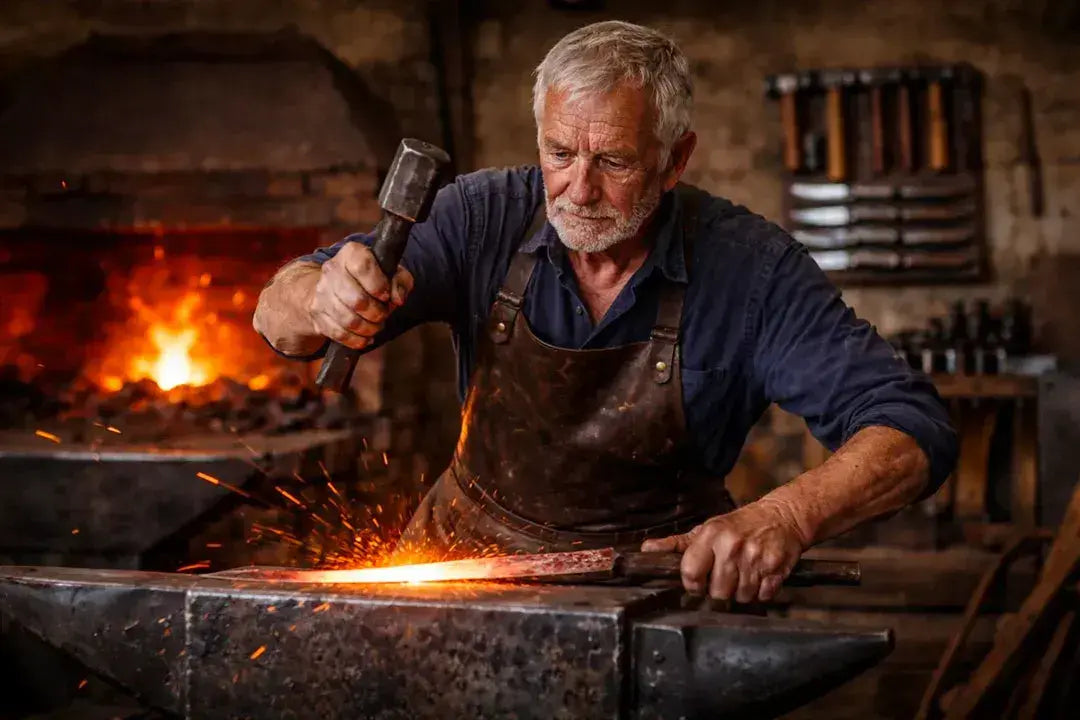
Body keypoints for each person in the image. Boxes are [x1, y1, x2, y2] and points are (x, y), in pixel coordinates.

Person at [254, 20, 957, 603]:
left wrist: (785, 516)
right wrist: (317, 297)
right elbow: (276, 316)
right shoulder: (481, 216)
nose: (578, 190)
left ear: (674, 160)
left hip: (651, 586)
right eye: (560, 153)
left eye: (613, 162)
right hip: (460, 568)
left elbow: (910, 426)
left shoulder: (751, 271)